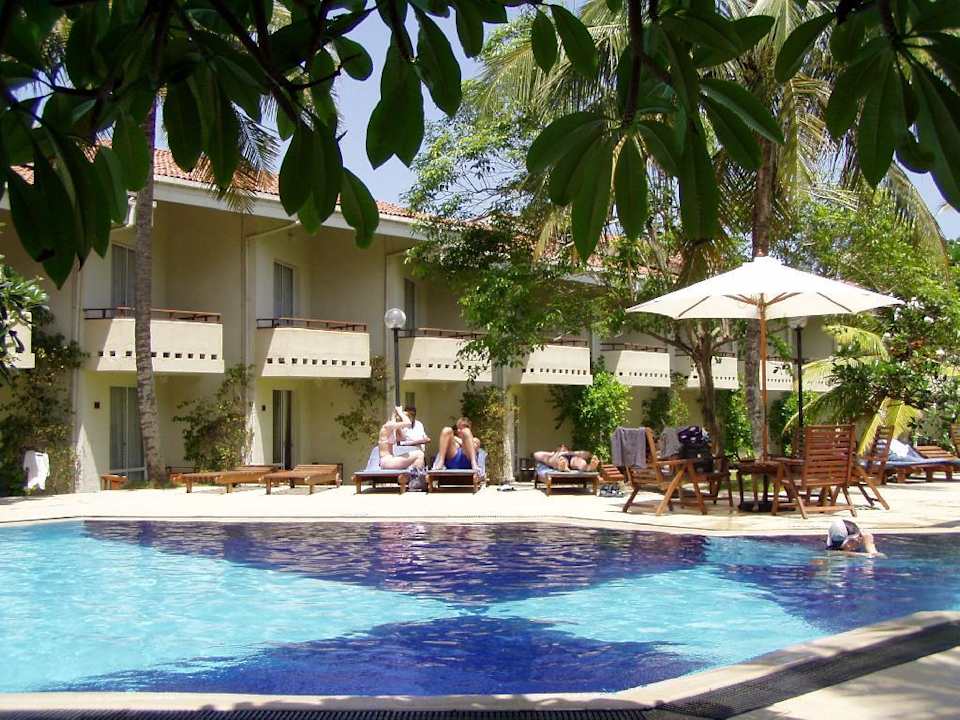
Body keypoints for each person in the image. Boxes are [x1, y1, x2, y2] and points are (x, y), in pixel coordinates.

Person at [377, 406, 425, 471]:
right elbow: (408, 423)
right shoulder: (388, 425)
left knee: (419, 455)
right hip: (386, 460)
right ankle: (414, 474)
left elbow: (403, 438)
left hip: (390, 459)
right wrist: (400, 413)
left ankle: (413, 473)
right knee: (419, 454)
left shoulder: (392, 428)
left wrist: (398, 427)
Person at [533, 445, 600, 472]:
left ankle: (590, 467)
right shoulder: (554, 454)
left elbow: (588, 454)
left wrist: (568, 453)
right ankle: (563, 467)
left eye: (564, 446)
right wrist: (552, 454)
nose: (563, 446)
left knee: (579, 461)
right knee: (562, 460)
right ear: (557, 449)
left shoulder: (572, 454)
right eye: (560, 446)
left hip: (571, 457)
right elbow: (536, 454)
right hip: (559, 459)